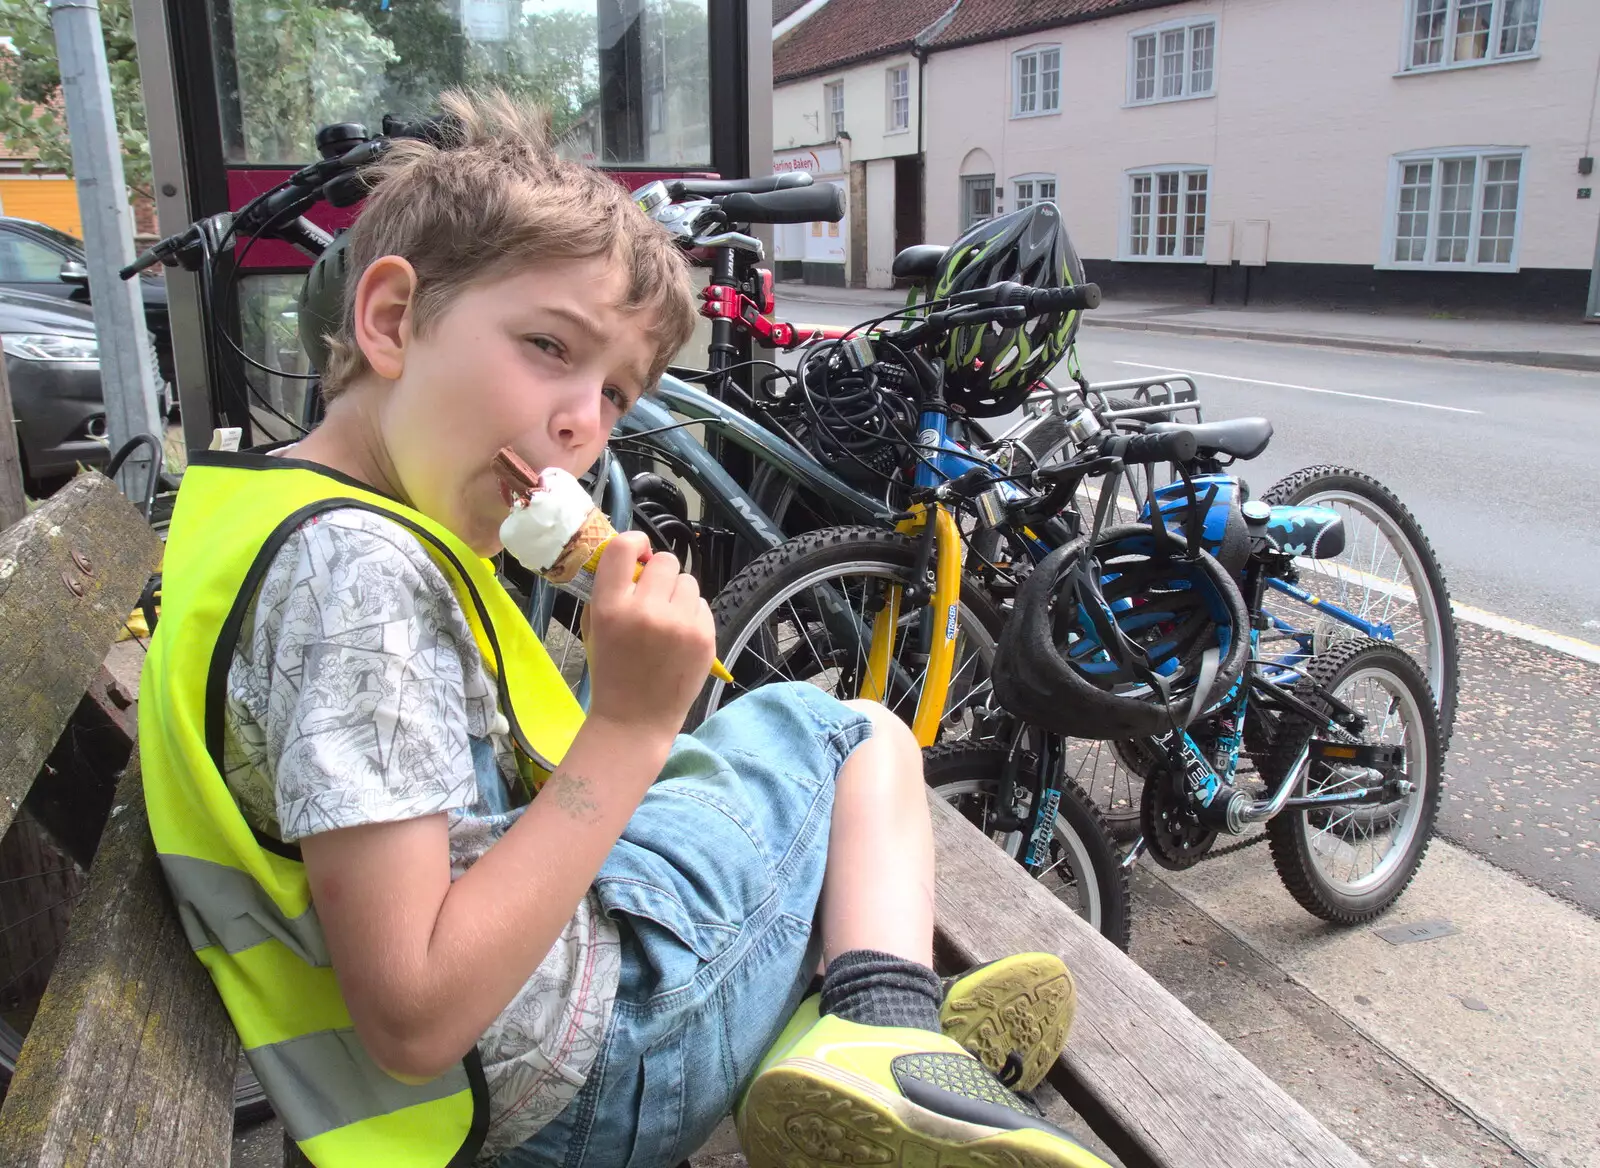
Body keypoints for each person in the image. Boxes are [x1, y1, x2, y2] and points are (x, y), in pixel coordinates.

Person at [139, 90, 1108, 1168]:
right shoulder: (355, 577)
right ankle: (879, 1030)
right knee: (855, 736)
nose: (581, 423)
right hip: (575, 1091)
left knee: (776, 733)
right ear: (389, 320)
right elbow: (413, 1017)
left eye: (615, 392)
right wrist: (630, 728)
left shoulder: (274, 513)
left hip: (497, 1056)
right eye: (549, 346)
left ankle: (844, 1022)